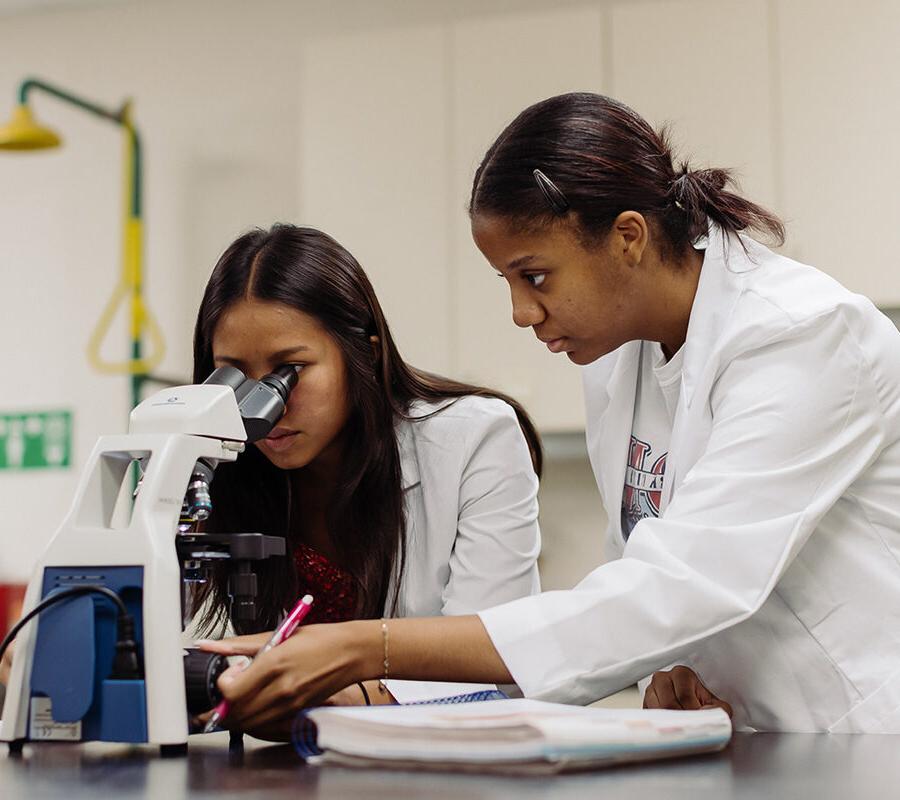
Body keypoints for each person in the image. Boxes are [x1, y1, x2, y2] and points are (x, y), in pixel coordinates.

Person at [201, 93, 900, 736]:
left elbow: (683, 586)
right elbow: (641, 560)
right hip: (749, 738)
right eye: (506, 281)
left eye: (534, 276)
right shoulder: (620, 357)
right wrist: (670, 669)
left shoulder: (801, 335)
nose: (521, 312)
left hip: (859, 735)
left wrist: (358, 646)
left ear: (628, 236)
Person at [184, 223, 542, 711]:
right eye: (235, 375)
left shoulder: (475, 438)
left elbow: (497, 660)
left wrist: (329, 700)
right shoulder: (216, 468)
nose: (262, 406)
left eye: (288, 371)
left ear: (364, 356)